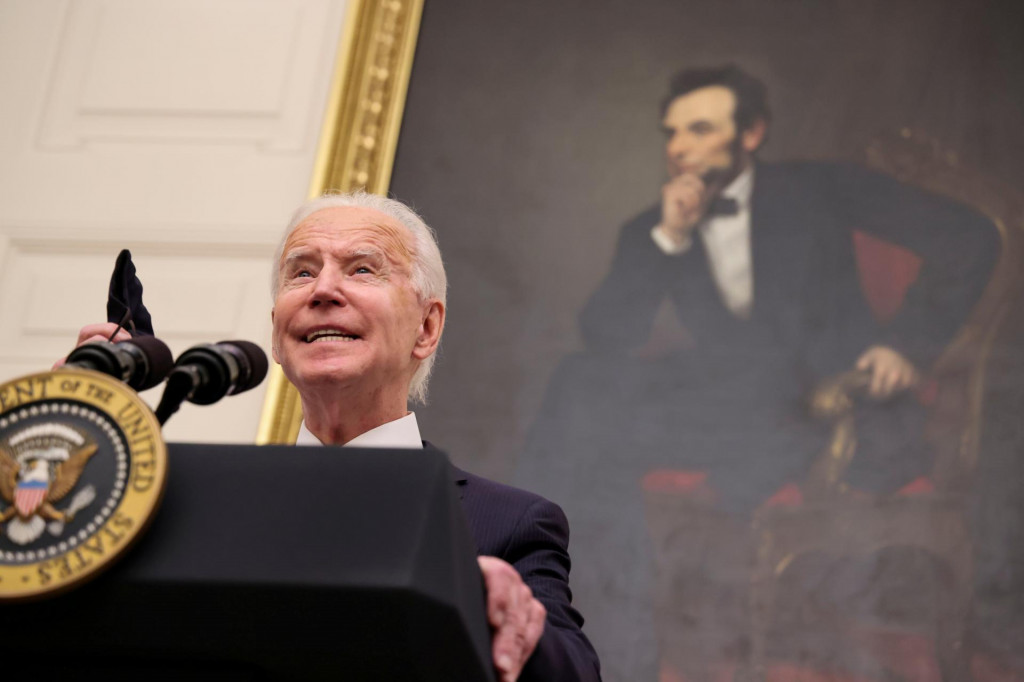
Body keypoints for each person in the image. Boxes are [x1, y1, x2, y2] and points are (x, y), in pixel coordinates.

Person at [517, 65, 999, 680]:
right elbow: (608, 338)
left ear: (751, 133)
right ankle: (557, 610)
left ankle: (547, 613)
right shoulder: (654, 227)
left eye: (700, 129)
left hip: (823, 407)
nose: (679, 148)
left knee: (593, 437)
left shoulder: (821, 189)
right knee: (580, 386)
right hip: (726, 407)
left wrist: (906, 344)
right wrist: (670, 237)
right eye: (671, 133)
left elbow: (971, 236)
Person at [71, 191, 601, 682]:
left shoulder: (507, 524)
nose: (323, 290)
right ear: (277, 335)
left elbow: (575, 672)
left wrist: (503, 612)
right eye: (301, 273)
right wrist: (80, 457)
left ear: (426, 328)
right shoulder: (196, 511)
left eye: (363, 269)